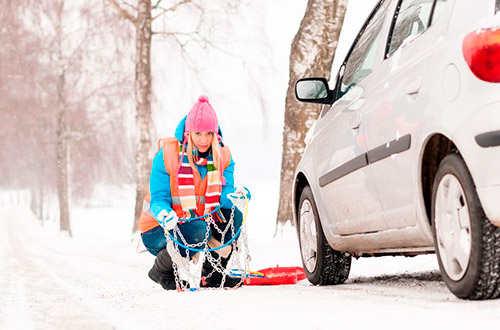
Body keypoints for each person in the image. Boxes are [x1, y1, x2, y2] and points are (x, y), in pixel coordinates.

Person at [138, 95, 250, 290]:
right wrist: (163, 213)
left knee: (234, 217)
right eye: (198, 133)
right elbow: (159, 197)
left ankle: (213, 275)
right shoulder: (167, 154)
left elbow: (224, 191)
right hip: (159, 226)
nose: (204, 140)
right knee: (197, 231)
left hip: (196, 220)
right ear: (188, 133)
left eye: (209, 134)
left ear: (215, 134)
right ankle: (161, 271)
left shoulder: (223, 156)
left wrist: (233, 196)